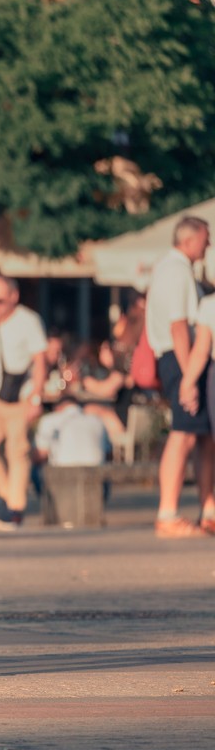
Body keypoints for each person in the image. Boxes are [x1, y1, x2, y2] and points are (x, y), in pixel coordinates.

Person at [0, 275, 47, 530]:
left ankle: (14, 509)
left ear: (14, 297)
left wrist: (36, 397)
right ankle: (8, 495)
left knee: (18, 452)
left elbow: (40, 361)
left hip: (19, 396)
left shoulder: (29, 321)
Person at [162, 216, 215, 537]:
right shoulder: (177, 272)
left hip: (189, 362)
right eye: (205, 239)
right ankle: (167, 512)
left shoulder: (178, 272)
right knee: (183, 435)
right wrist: (188, 379)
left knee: (201, 437)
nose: (208, 245)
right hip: (182, 360)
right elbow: (178, 327)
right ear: (189, 240)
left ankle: (208, 509)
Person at [34, 394, 110, 468]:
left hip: (61, 472)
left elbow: (41, 455)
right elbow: (108, 454)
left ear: (58, 408)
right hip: (95, 473)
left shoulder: (49, 420)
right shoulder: (97, 420)